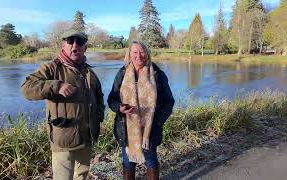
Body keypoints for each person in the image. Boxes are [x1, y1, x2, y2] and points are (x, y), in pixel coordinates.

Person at [21, 29, 105, 180]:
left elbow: (99, 96)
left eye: (79, 42)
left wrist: (99, 116)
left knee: (82, 176)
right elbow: (27, 88)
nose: (75, 45)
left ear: (84, 47)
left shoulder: (89, 71)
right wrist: (56, 86)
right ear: (63, 45)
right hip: (63, 139)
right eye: (70, 41)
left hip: (87, 137)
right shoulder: (52, 67)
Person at [107, 41, 174, 179]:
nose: (139, 55)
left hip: (150, 129)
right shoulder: (122, 73)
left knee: (151, 161)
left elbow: (169, 102)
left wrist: (157, 122)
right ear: (129, 55)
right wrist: (119, 108)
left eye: (142, 51)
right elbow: (112, 99)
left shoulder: (157, 74)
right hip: (127, 128)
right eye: (135, 52)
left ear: (147, 53)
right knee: (128, 162)